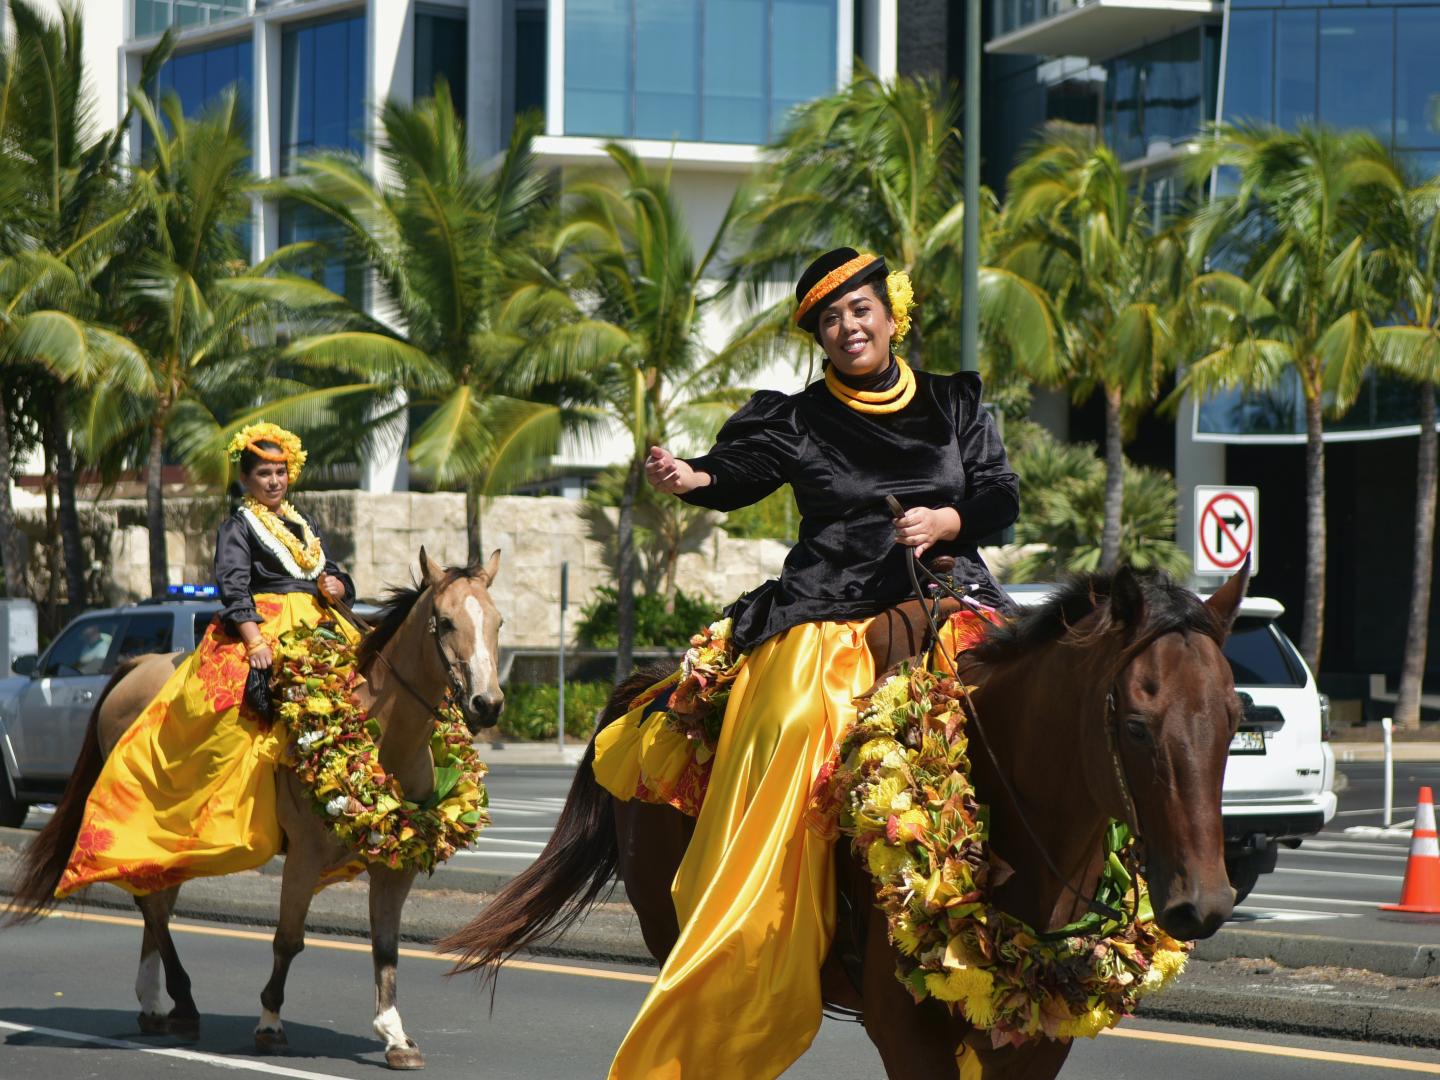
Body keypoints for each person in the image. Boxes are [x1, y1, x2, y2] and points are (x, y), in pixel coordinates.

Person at [591, 248, 1020, 1078]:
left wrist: (947, 520)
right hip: (831, 611)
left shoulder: (956, 401)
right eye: (829, 319)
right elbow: (738, 474)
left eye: (859, 310)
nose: (847, 327)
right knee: (793, 720)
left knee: (1035, 713)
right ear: (819, 337)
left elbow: (999, 494)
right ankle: (777, 920)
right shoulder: (795, 417)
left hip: (950, 597)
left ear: (892, 314)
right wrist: (691, 476)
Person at [58, 422, 358, 898]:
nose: (275, 481)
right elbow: (234, 585)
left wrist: (340, 585)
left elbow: (328, 567)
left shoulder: (303, 523)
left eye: (281, 472)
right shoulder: (239, 525)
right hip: (264, 624)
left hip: (321, 621)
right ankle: (221, 807)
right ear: (246, 479)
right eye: (264, 473)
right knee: (228, 710)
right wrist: (255, 641)